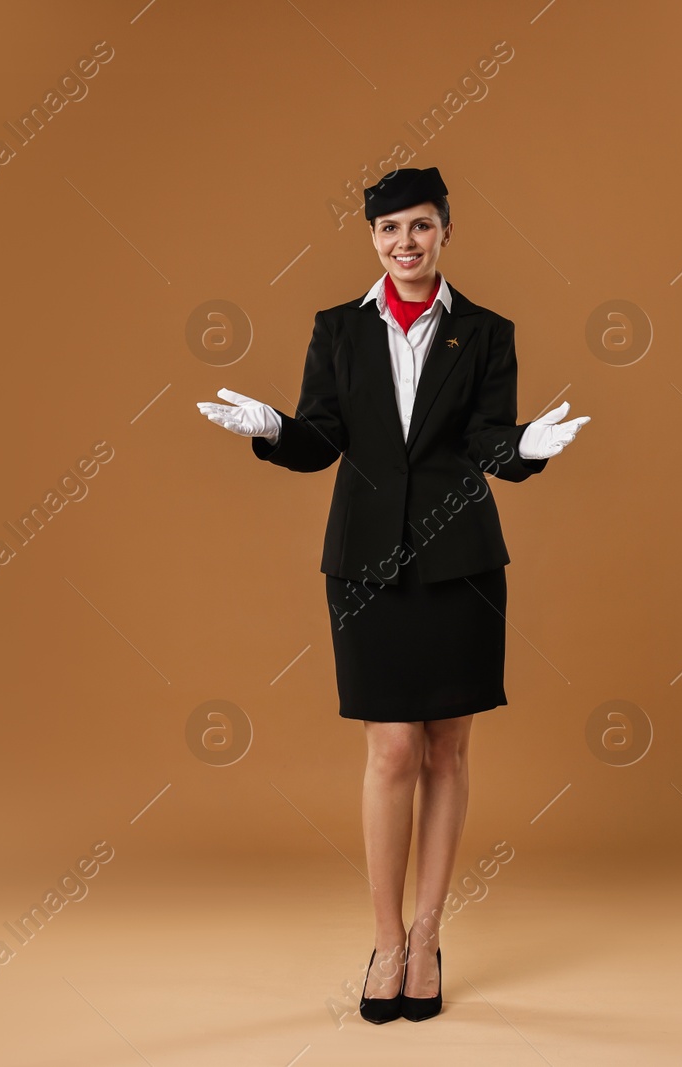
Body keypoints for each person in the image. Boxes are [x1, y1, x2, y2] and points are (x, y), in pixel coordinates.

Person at [197, 166, 589, 1023]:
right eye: (388, 230)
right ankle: (382, 939)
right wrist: (273, 430)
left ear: (446, 230)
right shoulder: (338, 328)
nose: (404, 244)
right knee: (390, 752)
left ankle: (426, 934)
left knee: (447, 750)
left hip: (462, 567)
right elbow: (321, 441)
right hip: (367, 567)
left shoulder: (486, 331)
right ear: (371, 239)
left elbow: (491, 443)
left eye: (420, 227)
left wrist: (529, 445)